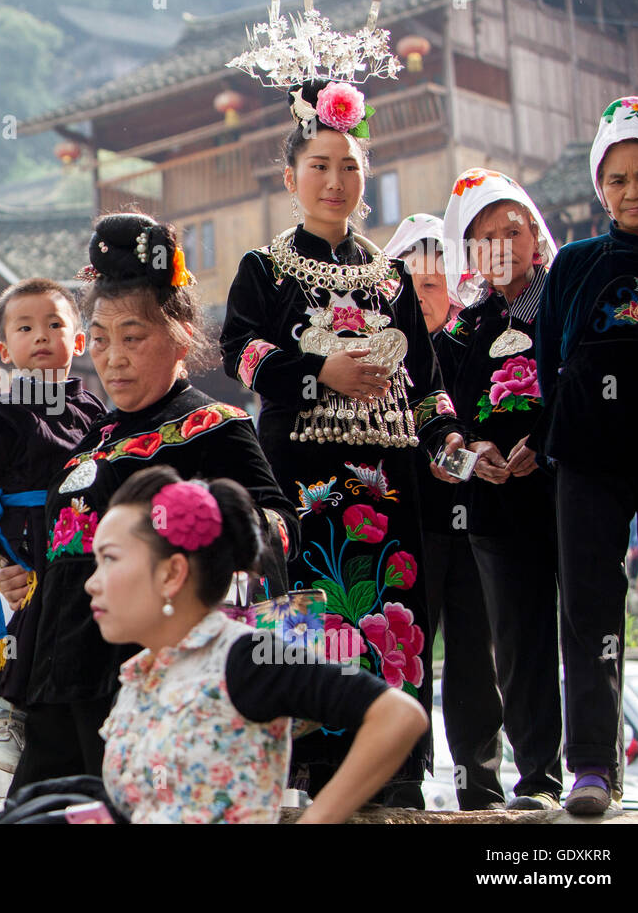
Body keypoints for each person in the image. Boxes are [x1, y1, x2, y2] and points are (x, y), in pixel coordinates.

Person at [219, 79, 467, 807]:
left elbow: (427, 383)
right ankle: (317, 777)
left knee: (393, 612)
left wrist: (450, 438)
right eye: (320, 166)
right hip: (300, 475)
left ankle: (396, 771)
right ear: (291, 178)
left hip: (391, 481)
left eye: (349, 166)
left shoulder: (390, 274)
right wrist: (318, 370)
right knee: (311, 614)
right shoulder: (263, 269)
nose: (335, 181)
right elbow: (241, 352)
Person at [0, 212, 298, 794]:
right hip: (60, 676)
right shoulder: (94, 439)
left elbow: (279, 528)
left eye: (133, 338)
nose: (113, 358)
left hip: (147, 680)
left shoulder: (215, 428)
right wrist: (32, 575)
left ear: (181, 334)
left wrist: (193, 527)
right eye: (102, 340)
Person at [85, 467, 428, 823]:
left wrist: (316, 819)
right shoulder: (138, 676)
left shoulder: (246, 657)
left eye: (109, 559)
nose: (92, 583)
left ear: (171, 573)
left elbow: (398, 715)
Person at [534, 96, 638, 814]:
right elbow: (552, 362)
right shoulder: (576, 266)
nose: (633, 191)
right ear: (599, 187)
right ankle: (591, 769)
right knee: (589, 613)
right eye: (618, 180)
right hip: (589, 460)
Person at [0, 277, 108, 773]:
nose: (41, 335)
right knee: (40, 605)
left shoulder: (93, 409)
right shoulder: (4, 407)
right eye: (26, 327)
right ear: (4, 349)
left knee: (67, 616)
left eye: (55, 324)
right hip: (28, 527)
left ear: (78, 342)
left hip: (82, 530)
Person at [437, 169, 563, 810]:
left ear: (535, 236)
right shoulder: (464, 327)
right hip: (494, 504)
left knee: (593, 626)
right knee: (518, 643)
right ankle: (539, 779)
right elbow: (444, 417)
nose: (501, 245)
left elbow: (580, 376)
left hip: (569, 492)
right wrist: (473, 454)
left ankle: (600, 768)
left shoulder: (561, 299)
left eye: (512, 229)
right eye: (484, 237)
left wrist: (544, 441)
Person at [385, 211, 507, 810]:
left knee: (473, 661)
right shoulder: (381, 358)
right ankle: (402, 775)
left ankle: (478, 784)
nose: (423, 297)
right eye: (412, 284)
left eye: (435, 285)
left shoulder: (471, 346)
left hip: (471, 521)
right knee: (404, 654)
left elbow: (483, 428)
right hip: (406, 527)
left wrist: (459, 460)